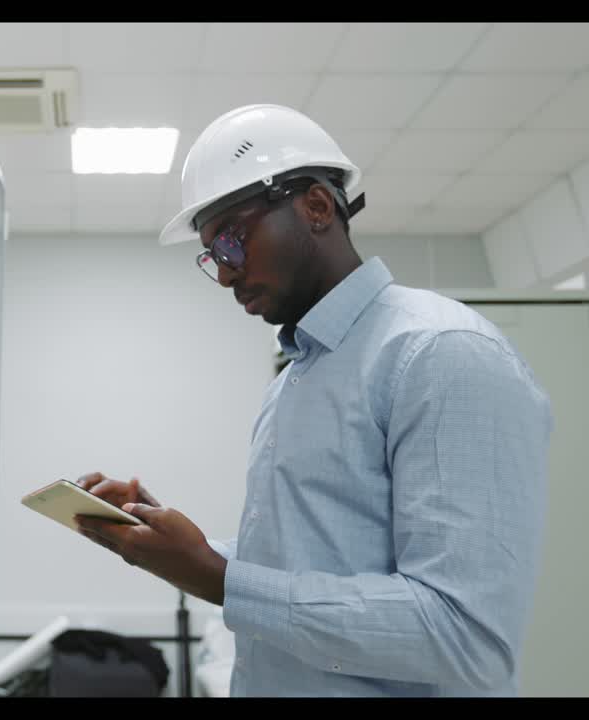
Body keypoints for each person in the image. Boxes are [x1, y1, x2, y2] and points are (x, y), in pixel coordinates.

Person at [74, 104, 553, 697]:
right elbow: (315, 567)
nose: (225, 274)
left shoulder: (440, 354)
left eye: (230, 240)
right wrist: (176, 548)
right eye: (213, 256)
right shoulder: (296, 378)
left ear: (318, 208)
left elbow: (464, 637)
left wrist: (222, 578)